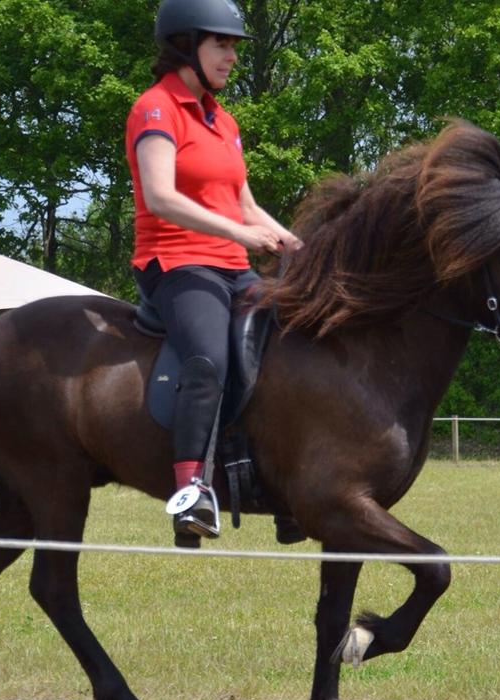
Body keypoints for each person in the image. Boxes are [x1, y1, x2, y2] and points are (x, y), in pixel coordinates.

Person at [127, 0, 302, 544]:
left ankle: (286, 479)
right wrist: (240, 236)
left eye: (233, 47)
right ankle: (191, 494)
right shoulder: (156, 109)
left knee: (295, 339)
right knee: (208, 358)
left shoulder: (223, 120)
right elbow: (160, 196)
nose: (231, 56)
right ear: (185, 46)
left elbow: (245, 206)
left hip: (232, 266)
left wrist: (292, 241)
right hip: (176, 263)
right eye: (220, 44)